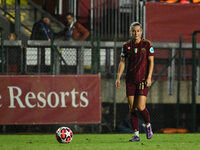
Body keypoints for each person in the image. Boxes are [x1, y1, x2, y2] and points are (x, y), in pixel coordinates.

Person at [115, 22, 154, 142]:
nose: (136, 33)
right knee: (132, 108)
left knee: (141, 107)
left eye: (138, 31)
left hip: (142, 80)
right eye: (133, 31)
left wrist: (148, 77)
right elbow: (122, 62)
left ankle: (148, 125)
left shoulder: (147, 44)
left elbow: (151, 62)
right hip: (130, 80)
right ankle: (136, 135)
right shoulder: (126, 45)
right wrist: (118, 77)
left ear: (141, 32)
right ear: (130, 32)